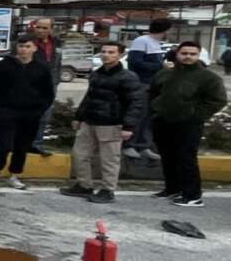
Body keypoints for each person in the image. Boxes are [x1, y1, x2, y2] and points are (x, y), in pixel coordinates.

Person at [59, 42, 143, 204]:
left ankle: (107, 189)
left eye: (111, 52)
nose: (106, 55)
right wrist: (79, 116)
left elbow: (136, 103)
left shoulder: (128, 77)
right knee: (80, 154)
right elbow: (89, 97)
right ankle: (84, 185)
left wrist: (128, 126)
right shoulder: (96, 74)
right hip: (89, 121)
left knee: (109, 159)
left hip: (111, 124)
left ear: (119, 55)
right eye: (104, 51)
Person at [150, 41, 227, 208]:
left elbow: (217, 100)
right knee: (168, 157)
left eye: (192, 54)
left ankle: (192, 196)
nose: (188, 57)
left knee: (186, 159)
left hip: (188, 124)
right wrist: (155, 111)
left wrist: (194, 115)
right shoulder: (165, 74)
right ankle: (173, 188)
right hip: (162, 121)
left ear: (198, 56)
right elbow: (153, 93)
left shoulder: (208, 77)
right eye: (184, 53)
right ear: (177, 54)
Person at [0, 35, 55, 190]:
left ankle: (14, 175)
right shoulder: (4, 65)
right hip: (7, 111)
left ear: (35, 48)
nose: (24, 49)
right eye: (21, 46)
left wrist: (39, 109)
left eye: (28, 46)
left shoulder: (41, 68)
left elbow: (48, 92)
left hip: (31, 114)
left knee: (22, 146)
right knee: (3, 145)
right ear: (17, 48)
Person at [124, 19, 171, 161]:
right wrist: (161, 67)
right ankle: (129, 145)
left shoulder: (155, 43)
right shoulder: (141, 41)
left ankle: (143, 146)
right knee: (138, 115)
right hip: (142, 83)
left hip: (154, 84)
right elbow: (134, 63)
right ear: (164, 30)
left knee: (148, 117)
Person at [27, 18, 62, 156]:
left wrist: (56, 81)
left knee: (44, 115)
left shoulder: (57, 43)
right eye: (38, 27)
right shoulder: (28, 42)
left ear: (51, 29)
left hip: (50, 84)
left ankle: (37, 144)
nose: (40, 30)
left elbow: (58, 64)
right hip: (31, 83)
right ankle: (23, 143)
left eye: (44, 28)